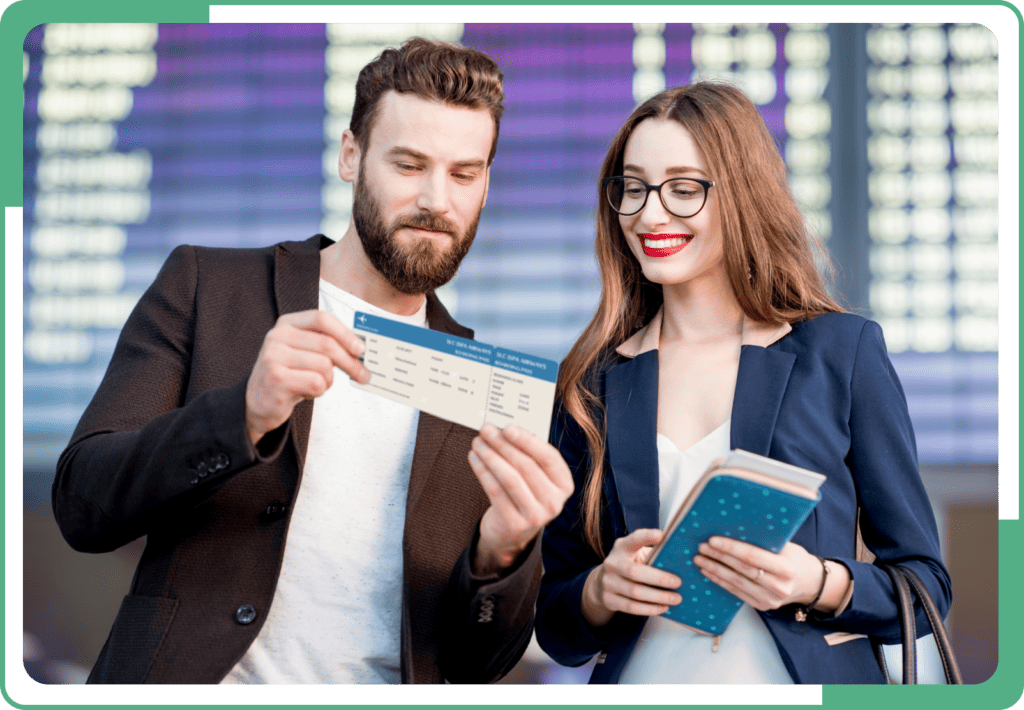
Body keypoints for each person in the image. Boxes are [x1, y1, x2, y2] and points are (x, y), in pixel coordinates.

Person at [52, 37, 573, 685]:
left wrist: (504, 551)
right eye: (409, 165)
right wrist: (242, 414)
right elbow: (82, 505)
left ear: (486, 185)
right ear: (350, 156)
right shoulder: (208, 287)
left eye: (464, 174)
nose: (437, 200)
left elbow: (477, 667)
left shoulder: (491, 392)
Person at [534, 82, 951, 684]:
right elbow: (557, 624)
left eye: (683, 189)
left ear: (741, 195)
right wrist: (600, 589)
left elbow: (927, 590)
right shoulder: (592, 383)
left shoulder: (839, 354)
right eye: (633, 188)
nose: (650, 215)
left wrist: (818, 582)